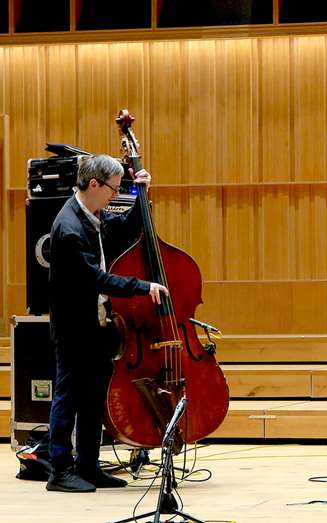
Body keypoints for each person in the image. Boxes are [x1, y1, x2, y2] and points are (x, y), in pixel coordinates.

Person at [46, 155, 169, 493]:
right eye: (114, 188)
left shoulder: (92, 215)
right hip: (75, 328)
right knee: (69, 397)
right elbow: (97, 279)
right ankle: (59, 469)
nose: (116, 194)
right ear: (95, 184)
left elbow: (124, 229)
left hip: (98, 324)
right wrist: (143, 287)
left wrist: (142, 193)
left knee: (93, 398)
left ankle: (87, 466)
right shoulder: (69, 227)